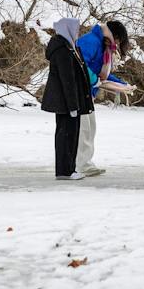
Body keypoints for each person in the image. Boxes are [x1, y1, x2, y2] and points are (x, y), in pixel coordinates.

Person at [41, 18, 94, 181]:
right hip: (64, 102)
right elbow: (67, 79)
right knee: (66, 135)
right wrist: (72, 105)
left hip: (71, 100)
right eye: (76, 29)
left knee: (72, 135)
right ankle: (64, 171)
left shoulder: (71, 47)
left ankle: (69, 169)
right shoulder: (62, 50)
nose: (78, 32)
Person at [75, 20, 130, 177]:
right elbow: (80, 66)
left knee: (90, 127)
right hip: (79, 90)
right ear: (114, 35)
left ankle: (85, 162)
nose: (118, 45)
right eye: (119, 40)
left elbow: (101, 72)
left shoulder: (103, 45)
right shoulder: (91, 41)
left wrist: (121, 84)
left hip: (88, 91)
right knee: (84, 128)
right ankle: (80, 164)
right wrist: (96, 81)